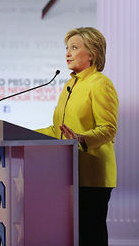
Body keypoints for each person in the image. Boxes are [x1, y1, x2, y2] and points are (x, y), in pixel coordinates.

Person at [36, 27, 118, 246]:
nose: (68, 53)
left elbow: (108, 128)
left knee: (90, 236)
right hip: (67, 172)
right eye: (67, 48)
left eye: (74, 47)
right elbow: (58, 130)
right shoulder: (70, 85)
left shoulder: (100, 83)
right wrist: (18, 133)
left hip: (92, 174)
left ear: (92, 53)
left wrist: (81, 138)